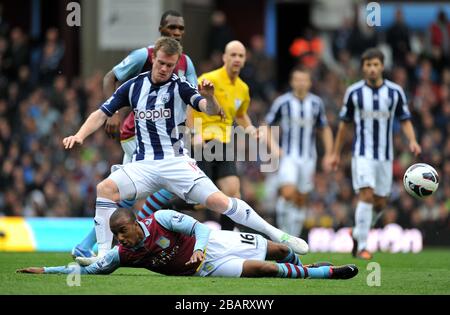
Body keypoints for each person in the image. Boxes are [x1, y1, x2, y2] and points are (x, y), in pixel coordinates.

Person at [63, 37, 309, 267]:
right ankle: (103, 255)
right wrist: (79, 135)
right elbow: (101, 113)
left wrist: (210, 99)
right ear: (154, 59)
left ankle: (278, 235)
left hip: (176, 162)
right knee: (105, 189)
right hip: (144, 164)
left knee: (220, 201)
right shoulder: (133, 86)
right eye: (160, 63)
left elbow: (206, 108)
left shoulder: (180, 86)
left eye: (169, 65)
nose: (164, 69)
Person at [72, 10, 198, 258]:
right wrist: (113, 113)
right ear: (161, 29)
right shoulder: (145, 55)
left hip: (168, 138)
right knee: (151, 187)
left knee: (129, 195)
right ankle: (116, 238)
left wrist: (190, 132)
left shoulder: (186, 62)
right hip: (137, 134)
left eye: (180, 29)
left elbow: (192, 97)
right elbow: (111, 77)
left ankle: (89, 244)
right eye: (171, 28)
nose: (176, 32)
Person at [17, 208, 358, 280]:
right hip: (207, 268)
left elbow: (201, 228)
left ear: (134, 223)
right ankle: (326, 274)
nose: (119, 239)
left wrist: (197, 246)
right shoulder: (123, 254)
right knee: (266, 270)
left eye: (122, 231)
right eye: (116, 235)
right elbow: (92, 269)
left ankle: (305, 265)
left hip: (217, 241)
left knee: (282, 251)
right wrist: (48, 269)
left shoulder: (162, 219)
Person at [330, 48, 421, 259]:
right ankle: (362, 245)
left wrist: (413, 140)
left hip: (385, 156)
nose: (372, 69)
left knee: (380, 203)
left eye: (375, 65)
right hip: (362, 154)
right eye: (368, 65)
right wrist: (335, 153)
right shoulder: (353, 92)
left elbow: (404, 119)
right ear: (363, 67)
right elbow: (344, 125)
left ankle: (357, 231)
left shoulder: (395, 92)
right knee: (367, 195)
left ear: (382, 66)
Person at [189, 40, 258, 231]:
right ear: (224, 58)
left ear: (245, 60)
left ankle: (227, 239)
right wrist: (193, 132)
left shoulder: (242, 89)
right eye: (233, 55)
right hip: (203, 141)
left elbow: (241, 114)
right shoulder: (209, 79)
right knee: (203, 200)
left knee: (233, 195)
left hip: (223, 144)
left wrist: (250, 128)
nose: (237, 59)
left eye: (240, 56)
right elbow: (189, 104)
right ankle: (168, 205)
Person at [265, 66, 333, 238]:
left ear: (309, 83)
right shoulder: (283, 102)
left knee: (301, 199)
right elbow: (266, 125)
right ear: (292, 82)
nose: (301, 83)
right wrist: (273, 147)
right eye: (298, 80)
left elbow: (324, 128)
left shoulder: (316, 103)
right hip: (289, 156)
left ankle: (293, 238)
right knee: (288, 193)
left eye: (304, 80)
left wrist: (329, 153)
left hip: (309, 158)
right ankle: (282, 234)